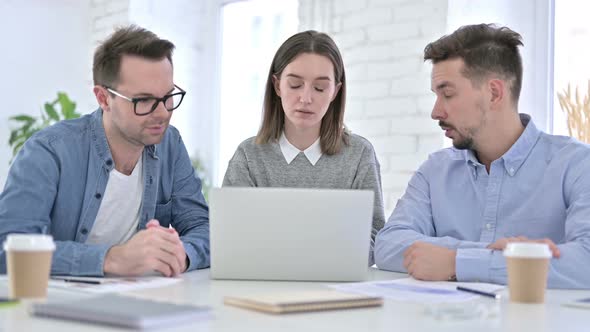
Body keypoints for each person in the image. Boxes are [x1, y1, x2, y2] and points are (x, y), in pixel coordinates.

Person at [374, 23, 590, 289]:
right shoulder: (435, 171)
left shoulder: (577, 164)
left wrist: (456, 262)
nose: (436, 111)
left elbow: (586, 261)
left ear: (494, 93)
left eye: (448, 94)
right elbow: (388, 245)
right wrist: (498, 255)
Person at [0, 25, 210, 277]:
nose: (163, 112)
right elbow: (8, 247)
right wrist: (110, 259)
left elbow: (202, 227)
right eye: (143, 100)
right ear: (103, 98)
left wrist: (181, 254)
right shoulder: (49, 151)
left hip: (142, 299)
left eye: (168, 96)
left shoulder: (170, 144)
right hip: (58, 305)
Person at [222, 30, 385, 265]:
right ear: (277, 86)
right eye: (295, 84)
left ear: (335, 92)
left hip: (337, 287)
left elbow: (375, 237)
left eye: (319, 88)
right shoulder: (248, 156)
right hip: (263, 284)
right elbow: (230, 236)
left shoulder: (359, 154)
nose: (306, 98)